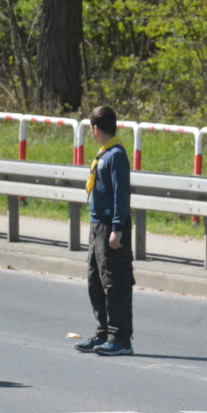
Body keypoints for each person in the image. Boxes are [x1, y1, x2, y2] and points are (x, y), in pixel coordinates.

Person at [75, 105, 135, 357]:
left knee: (115, 282)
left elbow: (122, 194)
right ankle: (103, 332)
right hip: (97, 225)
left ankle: (120, 337)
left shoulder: (116, 155)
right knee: (96, 280)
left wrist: (118, 229)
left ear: (95, 129)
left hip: (111, 227)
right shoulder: (105, 154)